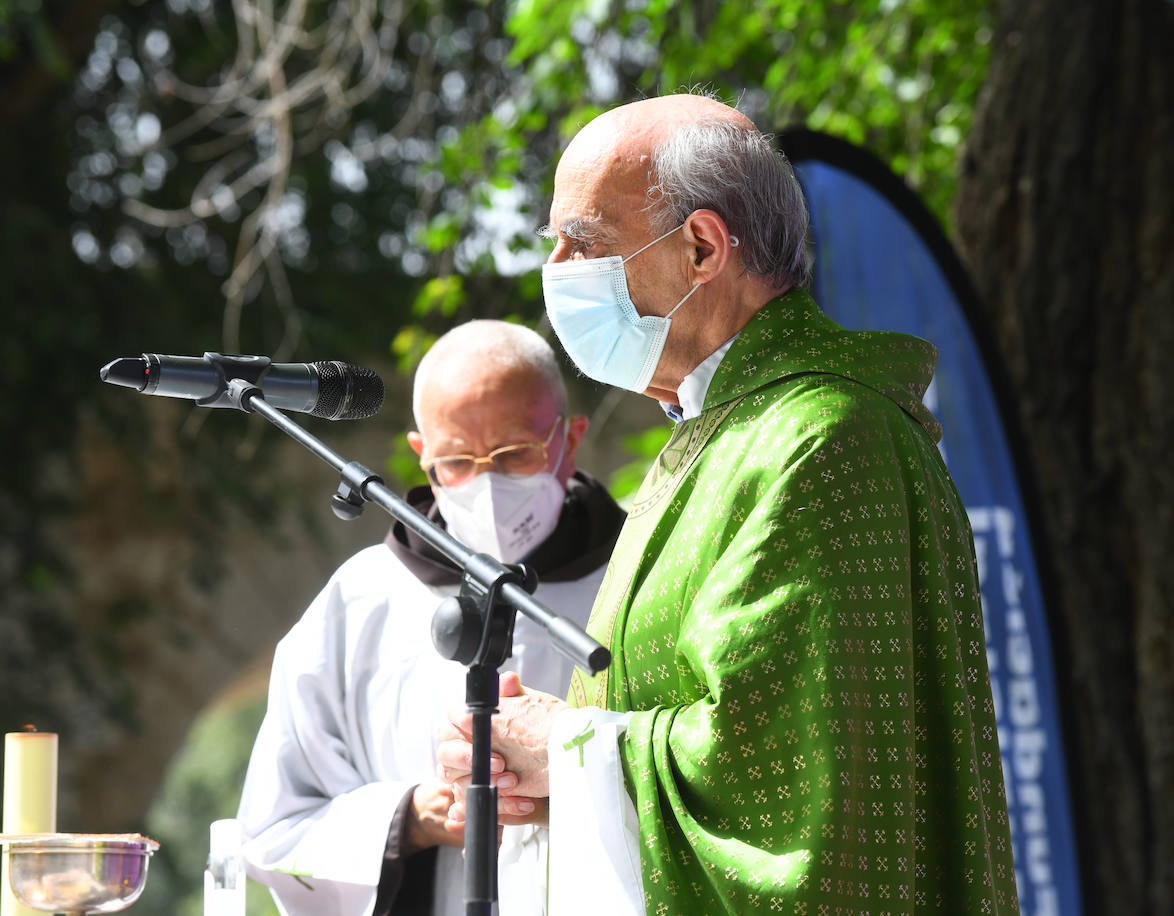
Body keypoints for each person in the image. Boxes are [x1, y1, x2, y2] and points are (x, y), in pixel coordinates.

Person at [436, 94, 1021, 915]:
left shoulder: (819, 440)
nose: (557, 267)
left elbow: (779, 777)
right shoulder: (724, 435)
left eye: (585, 243)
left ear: (702, 248)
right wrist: (558, 773)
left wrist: (564, 750)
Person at [237, 319, 626, 916]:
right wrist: (412, 816)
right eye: (456, 462)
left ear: (568, 441)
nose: (485, 483)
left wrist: (574, 768)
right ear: (421, 455)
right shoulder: (360, 601)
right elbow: (273, 827)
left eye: (515, 453)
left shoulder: (635, 578)